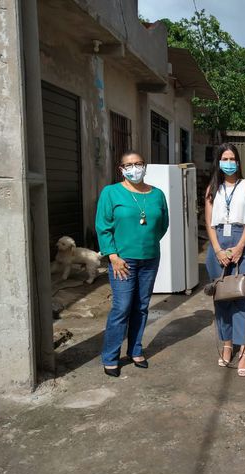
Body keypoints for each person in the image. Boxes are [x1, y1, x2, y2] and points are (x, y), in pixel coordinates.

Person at [96, 151, 169, 377]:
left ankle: (135, 350)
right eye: (129, 165)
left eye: (138, 164)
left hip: (150, 258)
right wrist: (112, 255)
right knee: (122, 307)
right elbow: (103, 226)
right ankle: (110, 357)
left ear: (145, 166)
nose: (134, 168)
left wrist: (146, 243)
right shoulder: (111, 192)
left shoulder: (157, 194)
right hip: (122, 260)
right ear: (121, 169)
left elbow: (162, 225)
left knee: (141, 306)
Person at [204, 143, 245, 377]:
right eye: (224, 159)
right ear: (218, 162)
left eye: (232, 159)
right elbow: (209, 222)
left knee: (241, 297)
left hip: (241, 242)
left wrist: (239, 247)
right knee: (221, 299)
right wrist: (218, 250)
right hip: (218, 243)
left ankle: (243, 350)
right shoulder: (212, 188)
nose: (229, 163)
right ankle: (227, 345)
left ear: (238, 161)